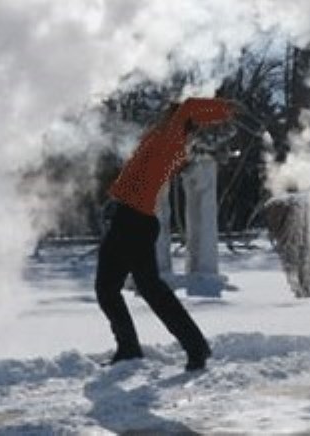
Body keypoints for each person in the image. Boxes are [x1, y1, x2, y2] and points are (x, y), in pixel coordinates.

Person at [96, 96, 235, 370]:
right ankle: (129, 348)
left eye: (169, 113)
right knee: (108, 288)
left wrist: (225, 109)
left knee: (151, 290)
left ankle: (194, 346)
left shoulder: (172, 140)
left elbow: (190, 108)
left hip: (135, 224)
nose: (162, 114)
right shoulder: (158, 138)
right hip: (126, 219)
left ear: (178, 121)